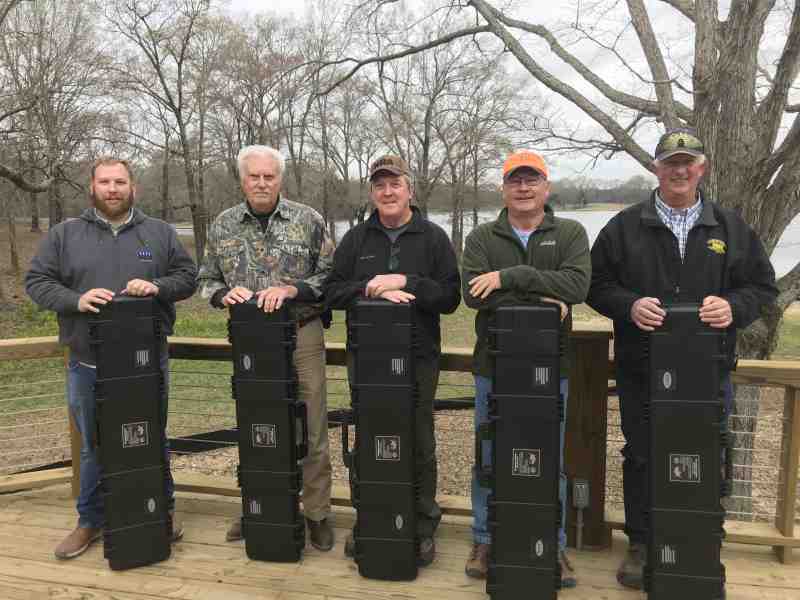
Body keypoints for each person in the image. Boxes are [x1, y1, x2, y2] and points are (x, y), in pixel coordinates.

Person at [586, 128, 778, 589]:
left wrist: (733, 308)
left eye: (688, 161)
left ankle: (701, 539)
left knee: (707, 455)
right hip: (642, 369)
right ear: (656, 168)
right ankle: (642, 542)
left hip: (707, 371)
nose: (679, 169)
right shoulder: (623, 227)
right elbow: (594, 286)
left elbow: (762, 287)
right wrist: (628, 305)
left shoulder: (729, 227)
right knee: (642, 456)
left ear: (702, 168)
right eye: (670, 162)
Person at [26, 157, 198, 559]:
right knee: (94, 445)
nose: (113, 188)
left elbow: (188, 278)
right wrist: (76, 299)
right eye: (104, 181)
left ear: (133, 187)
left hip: (146, 362)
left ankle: (160, 513)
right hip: (89, 363)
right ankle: (90, 520)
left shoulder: (158, 233)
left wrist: (156, 285)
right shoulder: (65, 235)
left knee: (151, 438)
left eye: (120, 181)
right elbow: (37, 282)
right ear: (92, 187)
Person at [323, 154, 461, 566]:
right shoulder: (356, 240)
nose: (387, 191)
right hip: (366, 361)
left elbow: (451, 298)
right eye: (380, 185)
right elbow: (331, 292)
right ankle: (371, 518)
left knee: (417, 439)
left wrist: (407, 282)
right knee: (371, 439)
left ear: (409, 190)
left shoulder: (433, 238)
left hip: (418, 358)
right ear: (372, 192)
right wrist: (370, 288)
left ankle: (421, 524)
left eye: (394, 184)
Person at [197, 145, 336, 551]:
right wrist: (224, 292)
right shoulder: (223, 225)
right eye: (254, 176)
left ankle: (317, 513)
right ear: (242, 180)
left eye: (269, 176)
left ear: (280, 179)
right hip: (251, 343)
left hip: (301, 335)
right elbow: (204, 278)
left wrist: (292, 289)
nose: (261, 182)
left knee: (312, 426)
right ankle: (261, 503)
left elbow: (331, 275)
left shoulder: (308, 220)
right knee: (259, 426)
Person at [461, 150, 591, 586]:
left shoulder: (570, 232)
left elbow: (577, 286)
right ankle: (484, 538)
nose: (523, 187)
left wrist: (508, 277)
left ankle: (551, 545)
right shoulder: (482, 237)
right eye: (515, 180)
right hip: (492, 366)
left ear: (546, 187)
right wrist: (540, 296)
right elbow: (474, 296)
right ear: (504, 188)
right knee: (489, 454)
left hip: (549, 368)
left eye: (531, 179)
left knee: (546, 456)